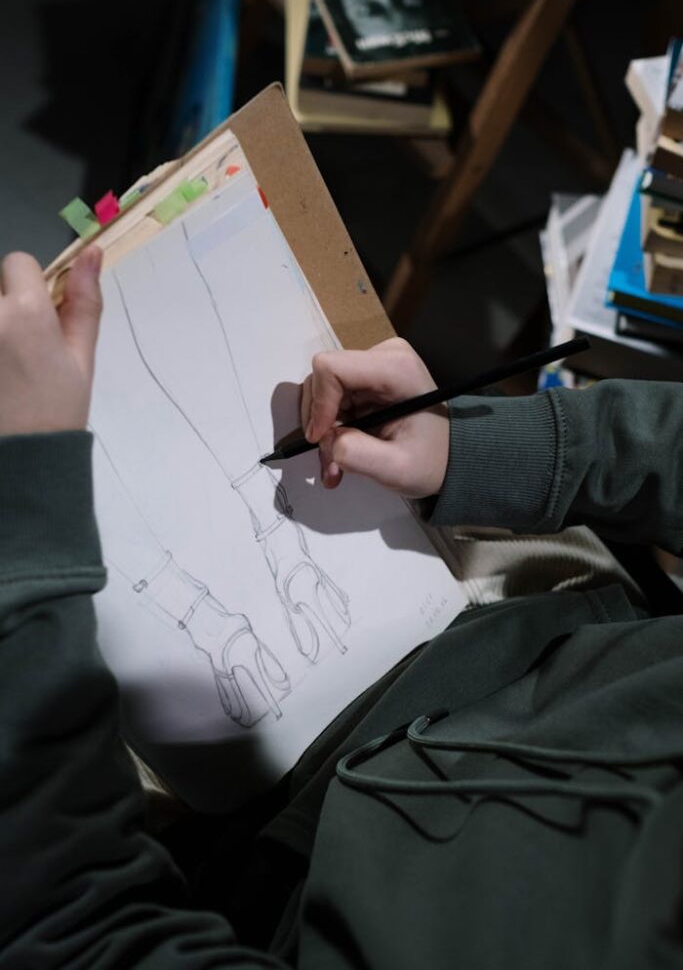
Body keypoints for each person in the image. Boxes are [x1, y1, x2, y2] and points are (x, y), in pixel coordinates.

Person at [1, 245, 683, 970]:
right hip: (537, 632)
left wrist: (26, 531)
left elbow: (74, 932)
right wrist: (479, 451)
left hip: (277, 866)